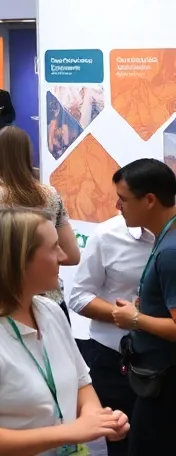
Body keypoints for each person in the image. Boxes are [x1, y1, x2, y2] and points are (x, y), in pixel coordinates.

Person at [0, 207, 129, 455]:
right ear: (19, 260)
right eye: (53, 247)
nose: (63, 255)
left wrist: (97, 420)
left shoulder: (49, 311)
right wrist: (72, 432)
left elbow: (81, 383)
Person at [106, 158, 176, 453]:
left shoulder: (171, 251)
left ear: (149, 200)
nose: (118, 207)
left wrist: (136, 320)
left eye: (123, 199)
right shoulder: (167, 239)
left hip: (166, 382)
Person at [0, 127, 80, 307]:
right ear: (29, 155)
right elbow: (72, 255)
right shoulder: (50, 195)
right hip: (48, 300)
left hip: (2, 300)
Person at [69, 210, 150, 456]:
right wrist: (129, 319)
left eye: (124, 198)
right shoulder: (107, 234)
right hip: (115, 358)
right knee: (121, 439)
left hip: (165, 360)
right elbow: (79, 298)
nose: (117, 204)